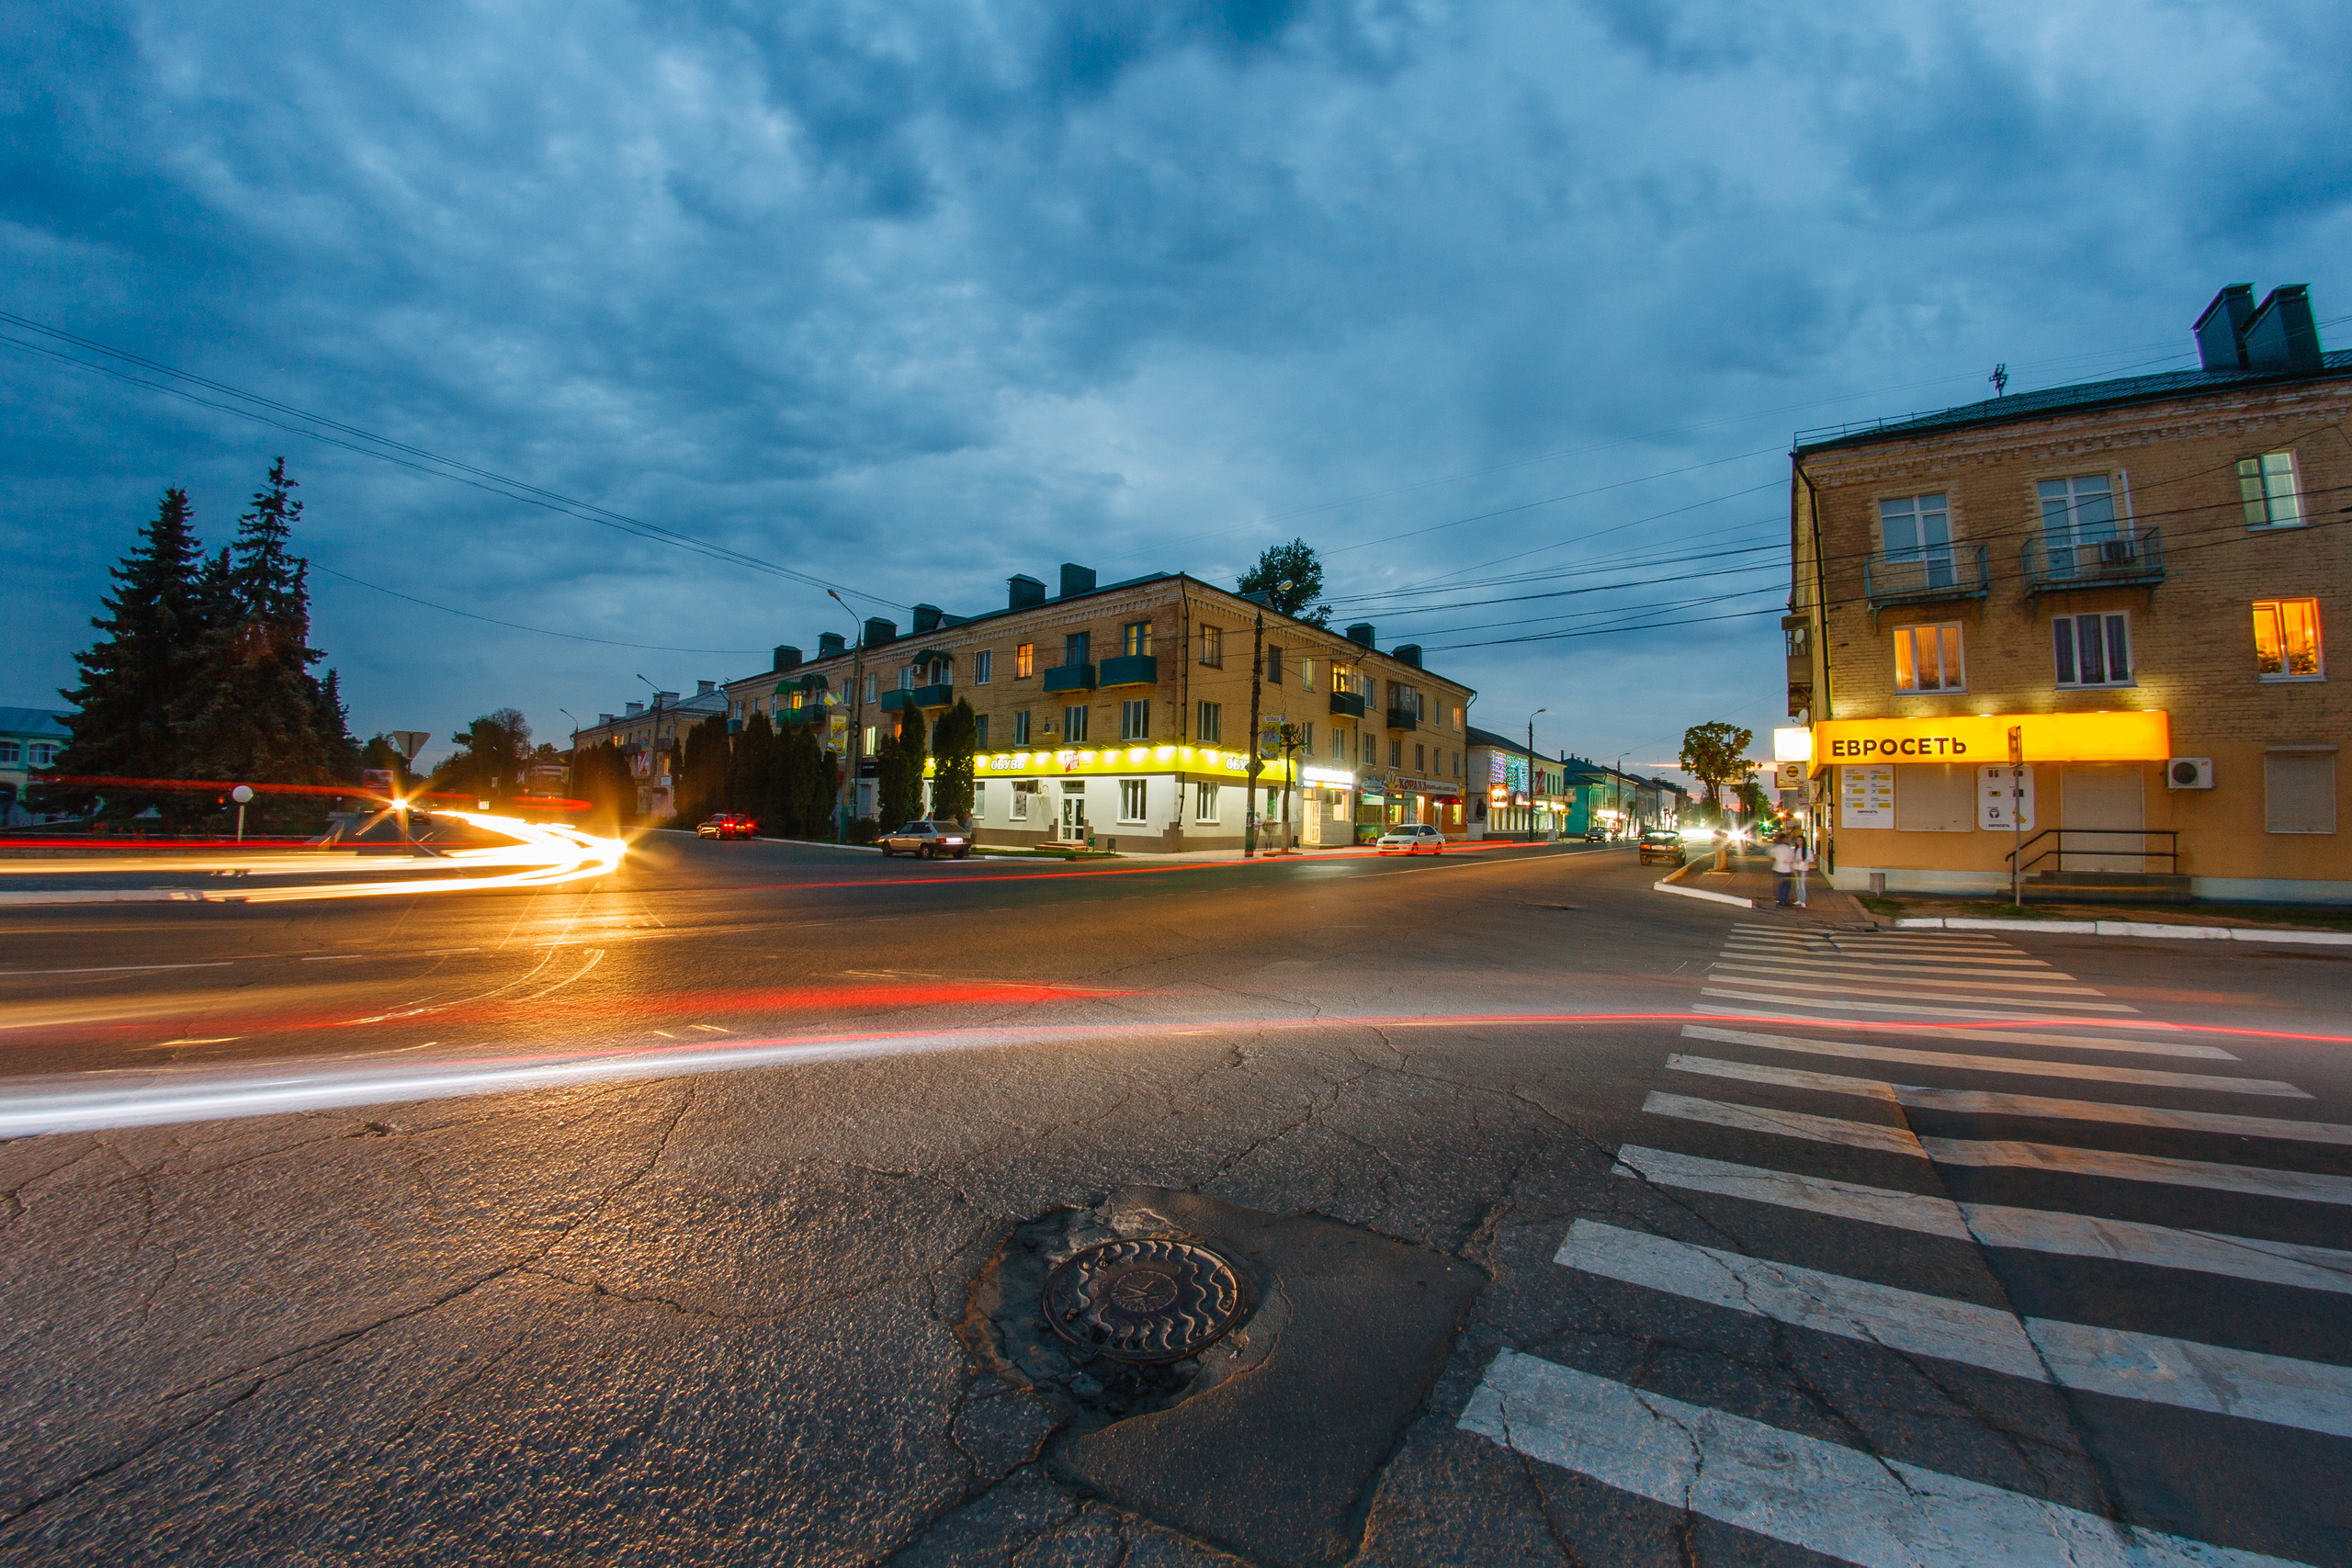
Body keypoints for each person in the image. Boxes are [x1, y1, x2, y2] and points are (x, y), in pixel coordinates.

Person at [1770, 833, 1800, 908]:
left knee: (1780, 885)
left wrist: (1776, 859)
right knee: (1787, 886)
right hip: (1786, 869)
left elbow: (1771, 855)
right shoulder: (1788, 848)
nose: (1788, 840)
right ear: (1784, 839)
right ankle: (1784, 900)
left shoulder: (1776, 847)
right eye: (1787, 838)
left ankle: (1780, 900)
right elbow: (1792, 858)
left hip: (1777, 868)